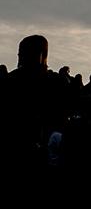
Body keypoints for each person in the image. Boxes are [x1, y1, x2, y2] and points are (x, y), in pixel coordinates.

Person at [0, 35, 69, 192]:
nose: (20, 58)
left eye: (23, 53)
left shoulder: (55, 82)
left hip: (40, 146)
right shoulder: (13, 80)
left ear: (40, 55)